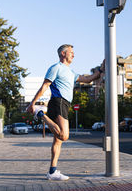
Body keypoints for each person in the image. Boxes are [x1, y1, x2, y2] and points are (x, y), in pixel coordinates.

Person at [27, 44, 104, 181]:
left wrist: (100, 69)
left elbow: (88, 79)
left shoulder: (71, 72)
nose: (73, 55)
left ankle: (52, 172)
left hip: (64, 104)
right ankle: (40, 114)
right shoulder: (56, 67)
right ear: (63, 53)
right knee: (64, 135)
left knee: (58, 141)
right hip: (58, 102)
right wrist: (33, 103)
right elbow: (45, 85)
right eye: (71, 52)